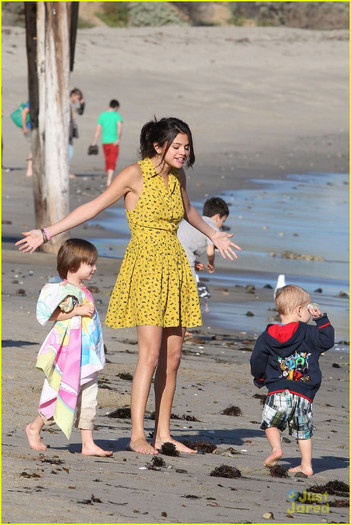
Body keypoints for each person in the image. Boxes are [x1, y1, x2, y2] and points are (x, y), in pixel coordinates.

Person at [16, 116, 241, 455]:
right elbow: (93, 207)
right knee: (149, 355)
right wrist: (47, 232)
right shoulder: (134, 175)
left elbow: (190, 211)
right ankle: (138, 435)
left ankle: (163, 433)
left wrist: (214, 234)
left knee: (174, 356)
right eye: (177, 146)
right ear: (158, 145)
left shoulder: (177, 177)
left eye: (186, 147)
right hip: (147, 266)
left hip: (175, 267)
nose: (183, 152)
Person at [25, 238, 112, 457]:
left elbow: (91, 323)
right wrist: (75, 311)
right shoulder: (62, 290)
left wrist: (99, 345)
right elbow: (49, 315)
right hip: (69, 355)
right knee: (60, 394)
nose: (95, 268)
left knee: (90, 397)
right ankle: (35, 427)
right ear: (73, 266)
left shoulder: (84, 290)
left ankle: (88, 442)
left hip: (87, 353)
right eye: (90, 264)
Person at [250, 284, 335, 476]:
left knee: (271, 423)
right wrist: (321, 319)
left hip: (278, 389)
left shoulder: (268, 335)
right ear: (299, 310)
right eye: (307, 308)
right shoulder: (310, 332)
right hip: (303, 392)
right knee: (303, 431)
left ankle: (276, 449)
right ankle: (306, 465)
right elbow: (327, 341)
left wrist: (260, 377)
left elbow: (257, 359)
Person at [177, 197, 229, 297]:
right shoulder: (211, 228)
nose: (221, 225)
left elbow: (185, 241)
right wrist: (211, 263)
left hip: (170, 249)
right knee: (190, 289)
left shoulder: (195, 221)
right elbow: (210, 251)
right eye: (223, 221)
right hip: (186, 255)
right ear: (217, 217)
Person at [91, 99, 123, 187]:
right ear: (116, 107)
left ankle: (109, 178)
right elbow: (119, 128)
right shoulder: (117, 115)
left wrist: (94, 141)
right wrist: (118, 139)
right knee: (112, 160)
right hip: (113, 142)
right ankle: (109, 180)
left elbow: (98, 129)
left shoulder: (102, 115)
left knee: (108, 159)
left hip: (104, 142)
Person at [69, 88, 85, 178]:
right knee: (69, 151)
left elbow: (81, 112)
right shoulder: (68, 103)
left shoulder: (74, 105)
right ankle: (65, 172)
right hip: (68, 129)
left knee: (70, 150)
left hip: (72, 128)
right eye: (77, 98)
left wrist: (83, 104)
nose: (77, 100)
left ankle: (65, 170)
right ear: (72, 95)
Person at [21, 101, 32, 177]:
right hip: (31, 128)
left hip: (38, 128)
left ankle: (31, 169)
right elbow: (24, 113)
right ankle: (29, 170)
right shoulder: (31, 101)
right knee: (34, 149)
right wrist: (24, 127)